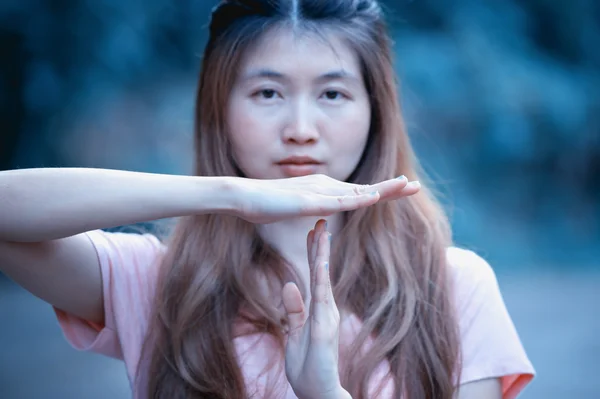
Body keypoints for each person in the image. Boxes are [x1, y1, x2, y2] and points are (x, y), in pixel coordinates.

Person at [0, 0, 535, 398]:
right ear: (219, 112)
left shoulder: (451, 286)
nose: (300, 129)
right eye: (267, 93)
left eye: (332, 93)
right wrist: (231, 194)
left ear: (377, 111)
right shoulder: (160, 281)